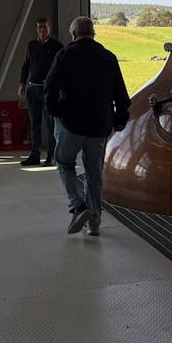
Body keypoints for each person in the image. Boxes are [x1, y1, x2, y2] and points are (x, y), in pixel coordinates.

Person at [44, 16, 130, 237]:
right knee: (93, 174)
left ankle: (78, 206)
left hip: (70, 123)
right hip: (99, 126)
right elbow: (121, 94)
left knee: (64, 163)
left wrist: (55, 111)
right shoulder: (108, 58)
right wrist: (119, 119)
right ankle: (94, 225)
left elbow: (50, 88)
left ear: (73, 35)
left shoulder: (64, 56)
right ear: (94, 33)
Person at [18, 17, 64, 166]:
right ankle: (34, 155)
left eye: (44, 27)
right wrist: (22, 84)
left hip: (49, 91)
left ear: (49, 28)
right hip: (33, 89)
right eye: (39, 28)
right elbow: (25, 65)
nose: (41, 30)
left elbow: (61, 68)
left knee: (50, 125)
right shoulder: (31, 45)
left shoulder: (57, 46)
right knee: (34, 125)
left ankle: (51, 156)